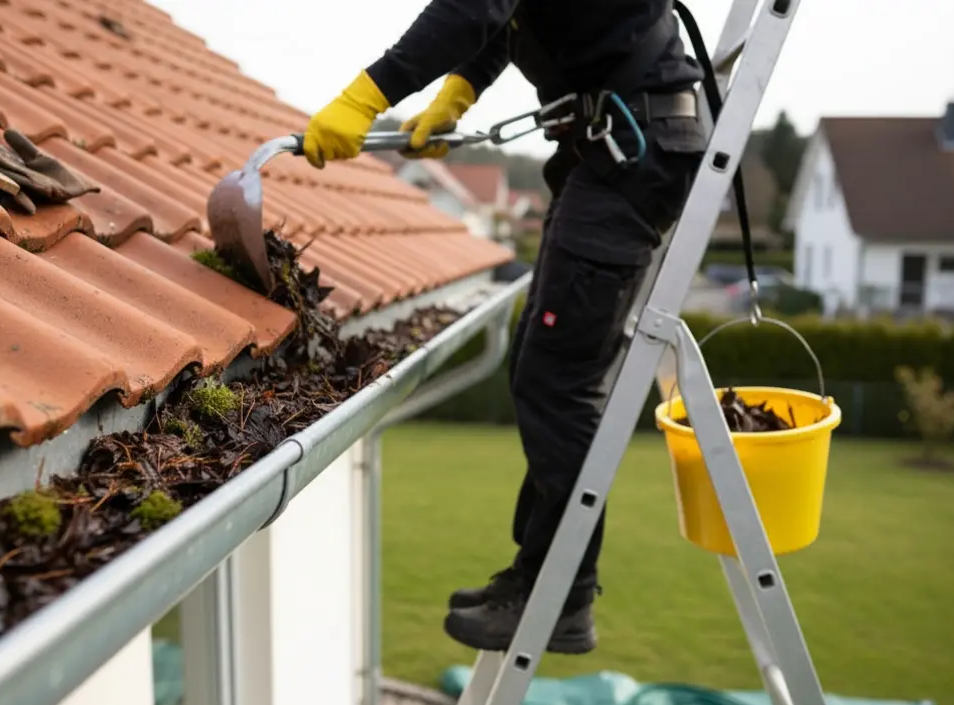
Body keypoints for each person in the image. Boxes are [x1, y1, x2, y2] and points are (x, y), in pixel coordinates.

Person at [303, 0, 709, 655]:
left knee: (558, 383)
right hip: (612, 151)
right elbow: (500, 19)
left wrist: (365, 95)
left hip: (630, 153)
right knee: (538, 368)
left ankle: (561, 599)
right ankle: (536, 575)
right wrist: (457, 94)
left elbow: (471, 9)